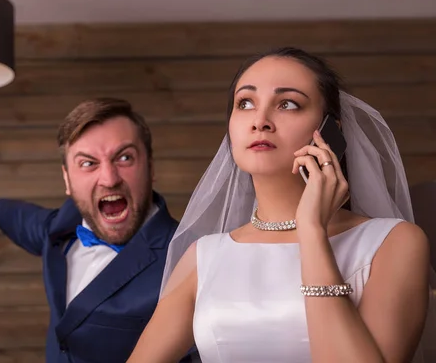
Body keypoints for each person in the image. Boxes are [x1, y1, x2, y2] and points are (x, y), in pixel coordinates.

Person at [127, 47, 436, 363]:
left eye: (288, 104)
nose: (260, 120)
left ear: (331, 132)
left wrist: (312, 231)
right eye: (245, 103)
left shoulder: (395, 242)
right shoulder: (204, 257)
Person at [0, 97, 199, 363]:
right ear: (67, 179)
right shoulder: (60, 228)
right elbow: (26, 222)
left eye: (124, 158)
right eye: (88, 163)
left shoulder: (188, 261)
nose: (109, 179)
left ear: (150, 167)